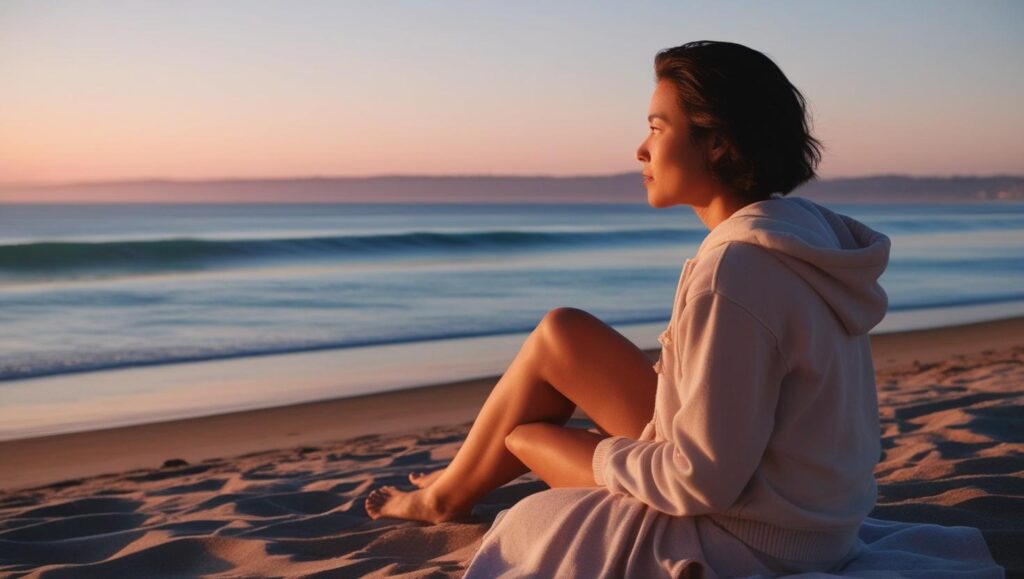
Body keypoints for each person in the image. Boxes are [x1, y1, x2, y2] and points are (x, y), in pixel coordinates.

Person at [365, 40, 892, 577]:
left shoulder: (736, 274)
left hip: (751, 537)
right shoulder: (800, 234)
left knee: (524, 437)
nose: (641, 149)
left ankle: (446, 494)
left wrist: (600, 452)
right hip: (810, 517)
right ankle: (453, 484)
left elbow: (701, 481)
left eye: (658, 127)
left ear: (715, 142)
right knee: (562, 333)